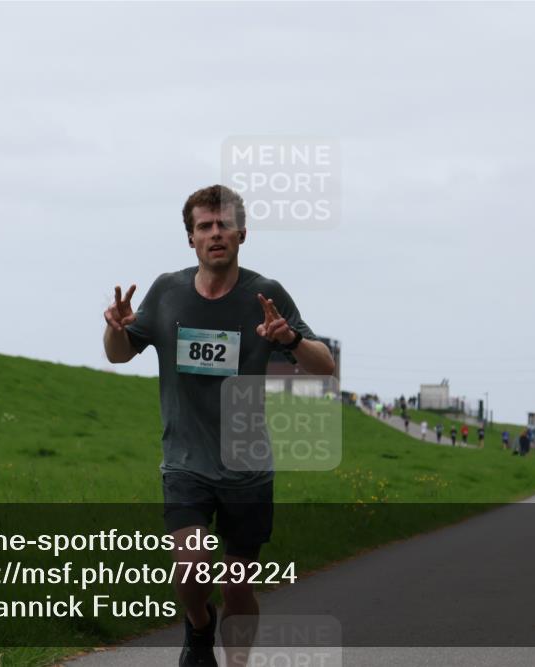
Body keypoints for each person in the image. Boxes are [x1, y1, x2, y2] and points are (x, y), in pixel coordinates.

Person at [103, 184, 335, 667]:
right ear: (190, 238)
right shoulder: (167, 291)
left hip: (247, 464)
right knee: (191, 568)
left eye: (223, 225)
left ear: (241, 234)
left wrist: (289, 337)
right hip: (185, 461)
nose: (215, 234)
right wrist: (117, 328)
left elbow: (323, 365)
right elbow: (119, 354)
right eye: (204, 226)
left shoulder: (265, 295)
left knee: (238, 583)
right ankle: (200, 627)